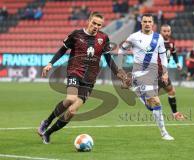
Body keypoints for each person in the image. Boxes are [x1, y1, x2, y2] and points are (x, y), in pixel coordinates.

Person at [38, 12, 128, 144]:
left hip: (90, 79)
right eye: (94, 23)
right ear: (88, 21)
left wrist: (120, 74)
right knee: (70, 99)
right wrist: (50, 64)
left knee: (73, 111)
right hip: (75, 71)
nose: (96, 26)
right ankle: (47, 121)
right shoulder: (76, 34)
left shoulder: (103, 38)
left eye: (99, 24)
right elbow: (62, 50)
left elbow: (109, 60)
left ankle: (48, 133)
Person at [118, 14, 174, 140]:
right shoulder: (134, 37)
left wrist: (165, 72)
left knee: (151, 106)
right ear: (141, 23)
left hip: (153, 73)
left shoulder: (158, 37)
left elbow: (163, 56)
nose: (147, 23)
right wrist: (120, 69)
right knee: (156, 101)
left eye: (149, 21)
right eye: (145, 21)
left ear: (153, 23)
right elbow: (121, 50)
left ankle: (138, 91)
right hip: (139, 73)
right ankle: (164, 133)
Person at [159, 24, 185, 120]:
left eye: (168, 31)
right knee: (155, 95)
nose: (166, 33)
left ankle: (175, 113)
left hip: (163, 71)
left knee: (171, 91)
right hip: (156, 71)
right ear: (160, 32)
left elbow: (173, 53)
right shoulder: (156, 42)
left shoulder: (171, 43)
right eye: (164, 31)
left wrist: (177, 62)